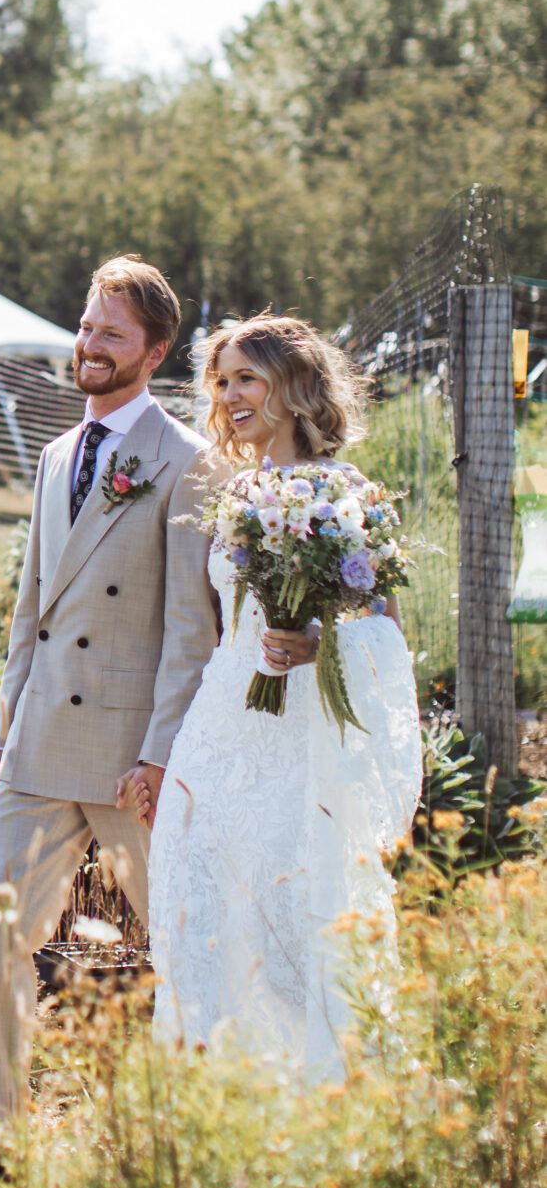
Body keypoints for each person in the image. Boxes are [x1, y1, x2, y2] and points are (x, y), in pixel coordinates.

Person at [0, 256, 219, 1140]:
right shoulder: (53, 454)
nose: (89, 345)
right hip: (37, 747)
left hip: (126, 761)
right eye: (84, 326)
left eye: (111, 333)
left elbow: (190, 631)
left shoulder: (184, 462)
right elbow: (29, 610)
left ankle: (200, 1126)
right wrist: (1, 737)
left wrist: (157, 755)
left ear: (153, 352)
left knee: (182, 940)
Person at [149, 317, 422, 1078]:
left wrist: (318, 646)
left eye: (245, 378)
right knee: (200, 901)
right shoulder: (233, 491)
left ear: (293, 386)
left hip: (305, 740)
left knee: (298, 919)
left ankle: (315, 1097)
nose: (229, 396)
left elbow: (385, 629)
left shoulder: (351, 492)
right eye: (221, 381)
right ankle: (213, 1097)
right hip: (221, 728)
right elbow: (217, 626)